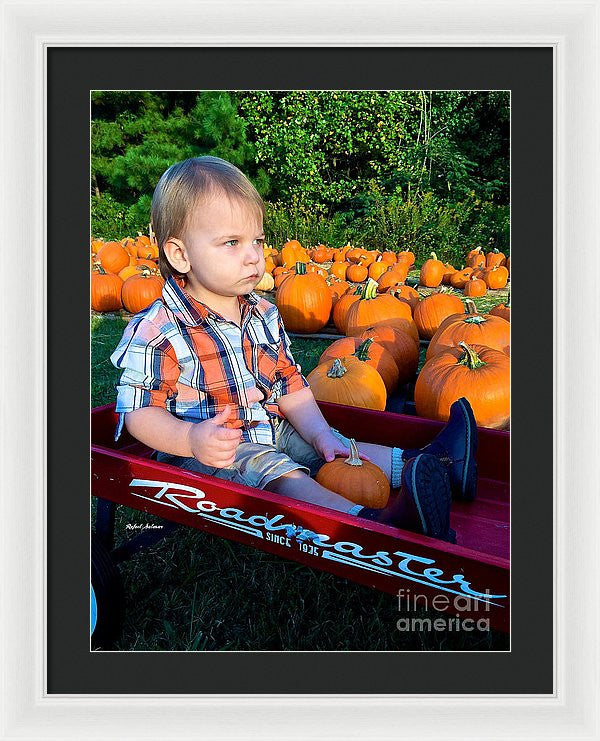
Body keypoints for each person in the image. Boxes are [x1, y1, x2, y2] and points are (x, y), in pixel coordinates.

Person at [110, 156, 477, 544]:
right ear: (180, 255)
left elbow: (288, 382)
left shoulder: (263, 312)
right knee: (277, 469)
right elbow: (139, 413)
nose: (253, 255)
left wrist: (320, 434)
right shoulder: (159, 327)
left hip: (270, 426)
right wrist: (190, 439)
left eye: (258, 240)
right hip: (207, 453)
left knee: (331, 445)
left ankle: (441, 465)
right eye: (231, 243)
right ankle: (372, 524)